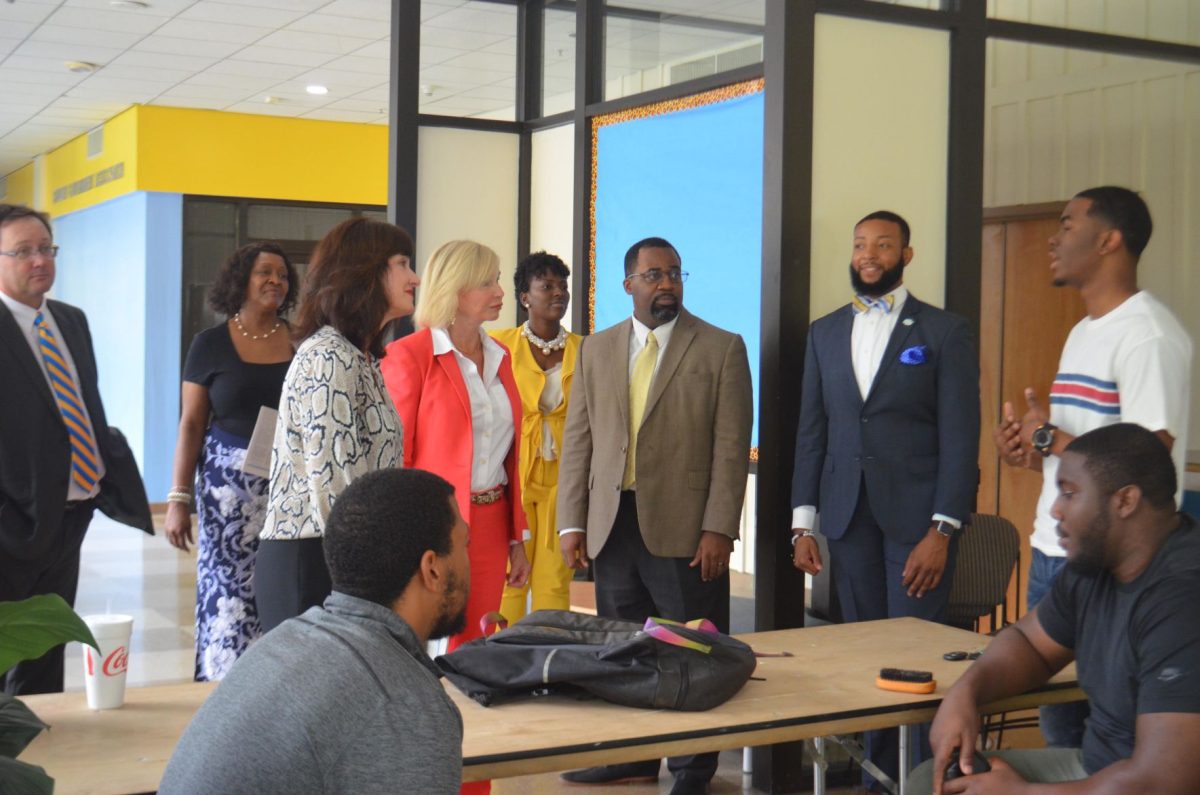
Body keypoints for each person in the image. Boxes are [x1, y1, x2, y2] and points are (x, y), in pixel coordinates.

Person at [993, 186, 1192, 748]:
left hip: (1114, 562)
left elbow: (1148, 462)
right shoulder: (1084, 331)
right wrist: (1031, 453)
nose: (1054, 239)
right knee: (1060, 724)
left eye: (1067, 224)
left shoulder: (1148, 335)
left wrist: (1050, 437)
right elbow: (1083, 462)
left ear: (1110, 240)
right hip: (1057, 551)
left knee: (1111, 734)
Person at [556, 236, 753, 795]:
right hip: (612, 525)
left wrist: (719, 527)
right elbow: (580, 440)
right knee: (622, 650)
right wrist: (573, 521)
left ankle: (692, 771)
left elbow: (731, 447)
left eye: (674, 273)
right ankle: (633, 758)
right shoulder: (597, 348)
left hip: (687, 531)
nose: (666, 284)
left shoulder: (720, 347)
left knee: (691, 651)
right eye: (653, 275)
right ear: (629, 285)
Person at [790, 210, 980, 789]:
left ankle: (925, 781)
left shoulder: (943, 331)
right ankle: (877, 780)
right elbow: (812, 431)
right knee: (868, 657)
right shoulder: (824, 331)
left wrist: (943, 529)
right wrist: (803, 524)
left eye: (883, 244)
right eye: (860, 245)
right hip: (847, 518)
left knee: (915, 663)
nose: (869, 254)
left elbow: (960, 437)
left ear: (906, 254)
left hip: (918, 524)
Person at [910, 423, 1200, 795]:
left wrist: (1021, 793)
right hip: (1098, 770)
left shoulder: (1182, 598)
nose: (1055, 509)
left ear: (1125, 501)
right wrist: (965, 694)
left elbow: (1165, 781)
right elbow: (1031, 644)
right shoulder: (1096, 564)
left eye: (1070, 493)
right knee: (928, 782)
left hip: (1147, 783)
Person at [160, 467, 469, 794]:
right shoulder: (406, 706)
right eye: (466, 543)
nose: (470, 560)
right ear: (432, 569)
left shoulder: (286, 640)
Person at [0, 204, 152, 695]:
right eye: (23, 251)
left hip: (72, 513)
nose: (39, 260)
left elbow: (84, 406)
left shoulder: (70, 320)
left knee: (48, 642)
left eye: (46, 249)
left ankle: (43, 742)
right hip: (11, 521)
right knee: (7, 646)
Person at [257, 217, 420, 632]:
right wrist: (373, 578)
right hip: (315, 562)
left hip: (342, 559)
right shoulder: (329, 357)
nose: (414, 278)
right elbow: (335, 487)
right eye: (402, 263)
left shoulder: (362, 357)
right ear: (365, 271)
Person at [382, 240, 531, 653]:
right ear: (453, 289)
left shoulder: (501, 355)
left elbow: (508, 454)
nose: (500, 292)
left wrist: (517, 539)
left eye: (497, 280)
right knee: (427, 641)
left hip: (491, 523)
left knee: (475, 641)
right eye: (486, 282)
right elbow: (399, 459)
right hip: (433, 525)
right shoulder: (409, 356)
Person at [163, 242, 298, 680]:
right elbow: (190, 425)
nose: (275, 280)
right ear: (241, 280)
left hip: (287, 491)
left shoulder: (300, 340)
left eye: (282, 274)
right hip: (227, 498)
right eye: (265, 272)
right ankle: (225, 681)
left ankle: (276, 684)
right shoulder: (209, 345)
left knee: (282, 589)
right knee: (230, 594)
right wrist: (178, 498)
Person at [490, 252, 582, 620]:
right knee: (508, 579)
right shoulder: (497, 345)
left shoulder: (584, 350)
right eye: (547, 286)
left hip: (566, 478)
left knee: (556, 580)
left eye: (563, 286)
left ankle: (550, 663)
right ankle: (498, 665)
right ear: (525, 296)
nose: (558, 293)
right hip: (514, 474)